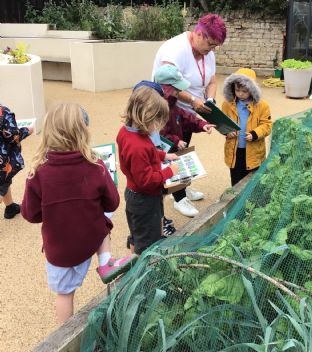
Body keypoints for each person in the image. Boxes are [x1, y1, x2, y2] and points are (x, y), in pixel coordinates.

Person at [21, 102, 136, 324]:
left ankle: (64, 337)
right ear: (82, 131)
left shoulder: (38, 172)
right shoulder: (96, 165)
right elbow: (112, 203)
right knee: (103, 220)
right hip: (91, 237)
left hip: (60, 250)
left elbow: (30, 214)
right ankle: (106, 261)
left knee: (64, 294)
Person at [152, 13, 227, 211]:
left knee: (184, 149)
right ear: (199, 34)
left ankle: (182, 188)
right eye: (210, 44)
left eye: (215, 46)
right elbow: (168, 85)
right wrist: (193, 100)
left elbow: (212, 80)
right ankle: (178, 198)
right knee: (174, 150)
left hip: (190, 111)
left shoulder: (207, 53)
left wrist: (209, 101)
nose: (212, 50)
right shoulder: (175, 50)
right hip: (169, 110)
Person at [117, 86, 179, 255]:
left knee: (137, 234)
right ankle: (143, 265)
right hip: (145, 199)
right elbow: (146, 181)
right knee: (146, 244)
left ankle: (136, 253)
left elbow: (146, 154)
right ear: (145, 117)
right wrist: (169, 172)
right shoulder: (138, 145)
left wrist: (163, 155)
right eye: (156, 123)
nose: (158, 128)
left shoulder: (127, 132)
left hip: (135, 195)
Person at [154, 64, 215, 217]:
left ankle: (183, 191)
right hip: (164, 149)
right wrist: (176, 141)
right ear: (166, 87)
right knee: (171, 173)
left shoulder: (171, 102)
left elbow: (184, 116)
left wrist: (202, 124)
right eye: (176, 88)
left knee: (181, 169)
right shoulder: (156, 107)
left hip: (173, 145)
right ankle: (179, 199)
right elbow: (158, 133)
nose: (179, 92)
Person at [221, 68, 272, 186]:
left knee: (252, 183)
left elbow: (267, 125)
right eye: (237, 90)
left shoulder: (262, 105)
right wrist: (227, 131)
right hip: (234, 151)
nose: (240, 94)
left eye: (244, 91)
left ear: (252, 89)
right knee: (236, 182)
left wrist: (255, 134)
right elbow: (222, 122)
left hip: (254, 151)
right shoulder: (227, 104)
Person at [0, 104, 32, 219]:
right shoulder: (3, 112)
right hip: (2, 162)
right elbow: (12, 137)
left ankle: (10, 207)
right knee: (2, 182)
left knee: (5, 181)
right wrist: (26, 131)